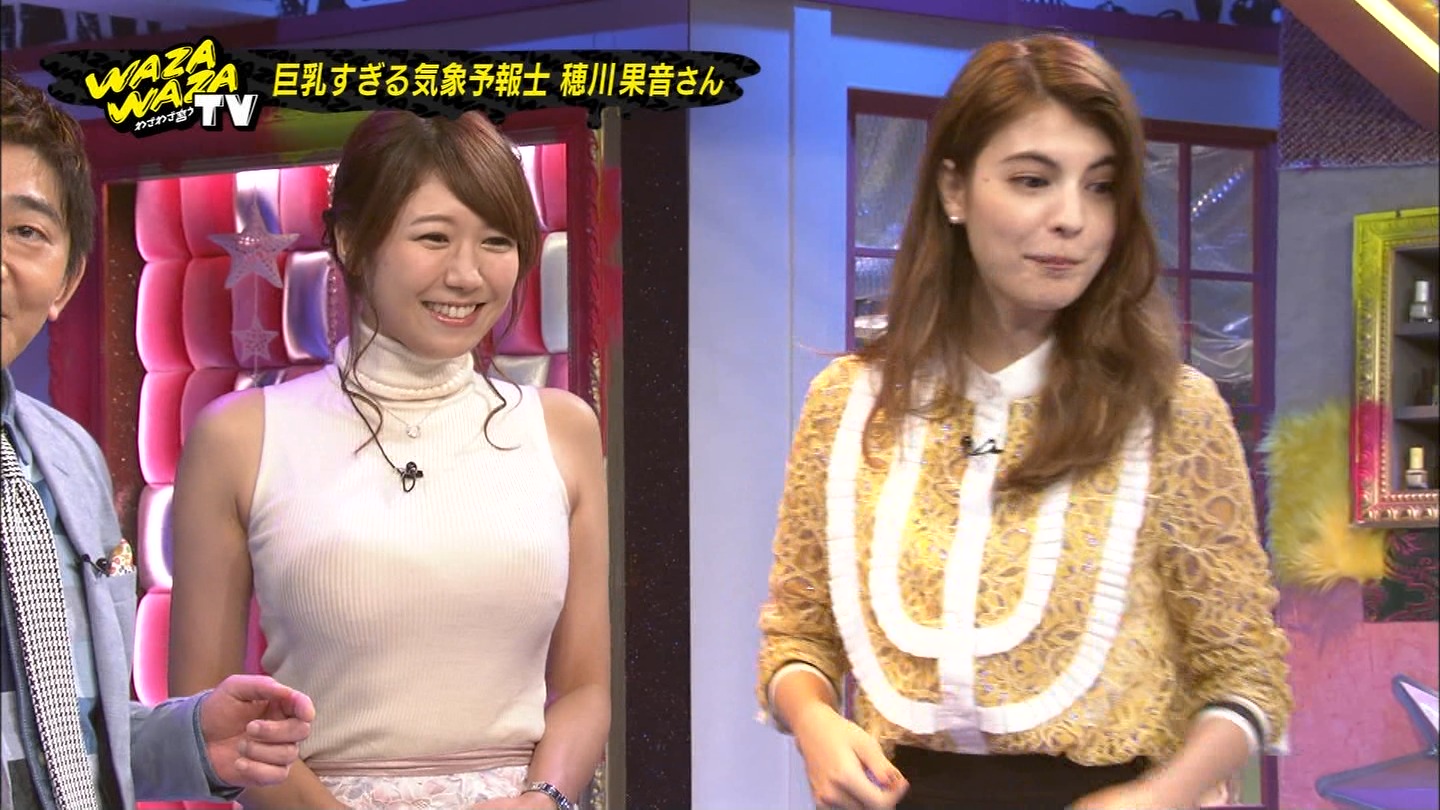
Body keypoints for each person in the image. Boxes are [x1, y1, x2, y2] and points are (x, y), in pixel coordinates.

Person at [755, 33, 1292, 810]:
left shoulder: (1172, 411)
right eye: (1033, 180)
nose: (1072, 218)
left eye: (1100, 187)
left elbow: (1247, 676)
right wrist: (813, 722)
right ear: (955, 190)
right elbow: (798, 634)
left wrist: (1163, 796)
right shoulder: (849, 403)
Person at [166, 109, 610, 809]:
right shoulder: (241, 436)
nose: (466, 274)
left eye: (497, 241)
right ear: (351, 240)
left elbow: (586, 686)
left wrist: (543, 799)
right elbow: (203, 707)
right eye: (433, 238)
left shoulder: (562, 429)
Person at [1, 64, 316, 809]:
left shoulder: (65, 458)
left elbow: (71, 738)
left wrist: (193, 741)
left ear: (66, 282)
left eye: (26, 231)